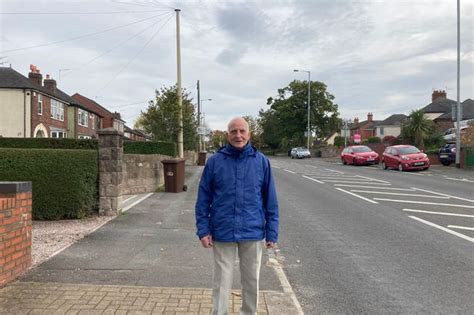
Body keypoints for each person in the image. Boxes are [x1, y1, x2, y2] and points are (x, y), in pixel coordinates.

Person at [195, 117, 279, 315]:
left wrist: (272, 232)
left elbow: (271, 200)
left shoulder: (261, 162)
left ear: (249, 134)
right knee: (221, 282)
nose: (238, 135)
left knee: (251, 281)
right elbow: (203, 198)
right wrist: (203, 229)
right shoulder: (215, 162)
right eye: (234, 131)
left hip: (253, 231)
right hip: (222, 230)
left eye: (242, 131)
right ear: (228, 135)